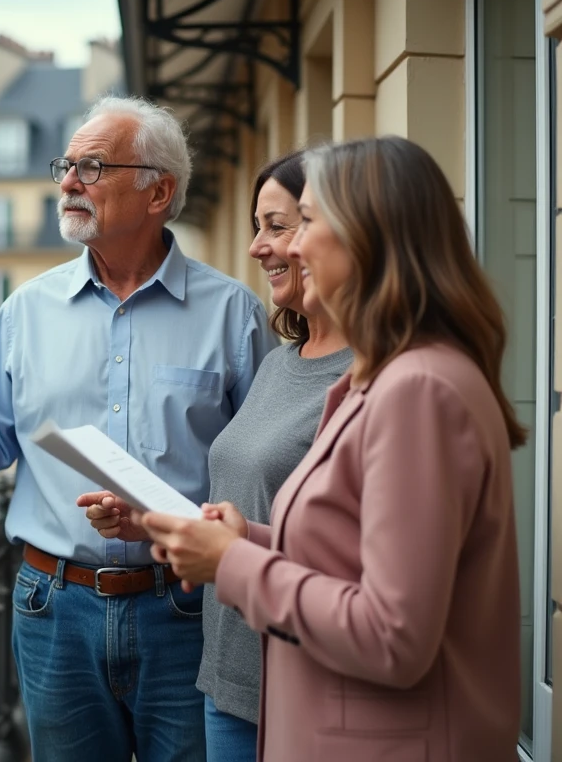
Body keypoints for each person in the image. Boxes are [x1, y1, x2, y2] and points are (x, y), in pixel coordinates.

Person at [0, 95, 277, 761]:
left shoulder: (234, 317)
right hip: (53, 611)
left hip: (187, 609)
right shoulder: (26, 312)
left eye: (93, 167)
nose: (68, 182)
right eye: (66, 165)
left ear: (159, 192)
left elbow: (260, 468)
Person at [134, 136, 523, 760]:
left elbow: (392, 634)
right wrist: (243, 541)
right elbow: (353, 560)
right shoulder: (391, 375)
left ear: (371, 236)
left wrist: (232, 564)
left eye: (307, 221)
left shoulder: (418, 387)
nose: (292, 245)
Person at [80, 148, 352, 762]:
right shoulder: (281, 362)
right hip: (229, 675)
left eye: (278, 226)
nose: (258, 247)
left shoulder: (376, 379)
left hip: (307, 687)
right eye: (257, 227)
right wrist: (151, 522)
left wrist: (232, 551)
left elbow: (358, 560)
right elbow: (258, 508)